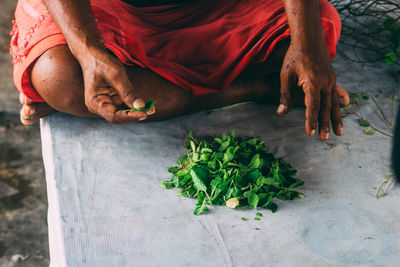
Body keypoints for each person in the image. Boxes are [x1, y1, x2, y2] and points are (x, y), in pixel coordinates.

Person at [10, 0, 350, 141]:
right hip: (106, 10)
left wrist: (307, 46)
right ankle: (251, 89)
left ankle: (85, 103)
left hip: (212, 7)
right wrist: (89, 52)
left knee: (316, 24)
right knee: (61, 76)